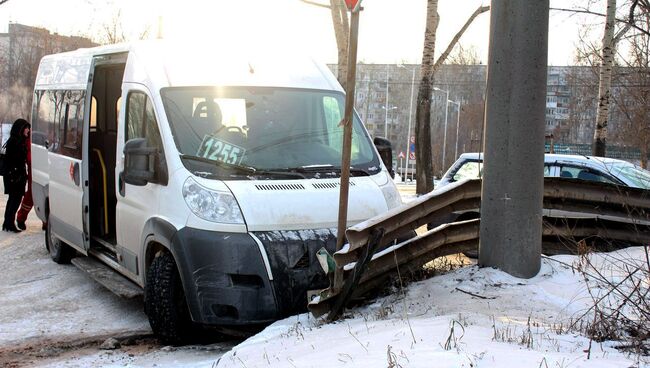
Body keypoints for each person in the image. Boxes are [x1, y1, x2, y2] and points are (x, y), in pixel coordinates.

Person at [3, 118, 30, 232]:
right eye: (26, 128)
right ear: (20, 129)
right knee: (15, 200)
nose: (28, 130)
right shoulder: (15, 142)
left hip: (14, 176)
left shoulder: (16, 140)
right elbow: (14, 160)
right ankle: (9, 224)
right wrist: (16, 175)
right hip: (15, 177)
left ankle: (7, 223)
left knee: (13, 200)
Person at [16, 131, 33, 230]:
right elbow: (29, 158)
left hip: (47, 168)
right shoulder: (29, 140)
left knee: (48, 196)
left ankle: (46, 222)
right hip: (34, 169)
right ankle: (21, 218)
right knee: (31, 195)